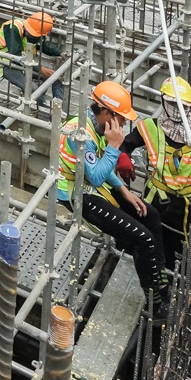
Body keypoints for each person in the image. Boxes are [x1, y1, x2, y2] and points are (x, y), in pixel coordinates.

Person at [57, 80, 164, 294]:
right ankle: (155, 298)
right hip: (75, 193)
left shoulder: (97, 126)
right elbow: (97, 177)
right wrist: (114, 146)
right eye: (121, 117)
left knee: (150, 215)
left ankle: (158, 275)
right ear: (106, 112)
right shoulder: (80, 134)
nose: (124, 123)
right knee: (142, 238)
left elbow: (100, 167)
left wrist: (124, 190)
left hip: (91, 185)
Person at [120, 76, 191, 271]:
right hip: (157, 202)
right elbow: (125, 144)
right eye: (173, 104)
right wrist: (122, 157)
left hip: (188, 207)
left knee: (181, 253)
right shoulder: (150, 127)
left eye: (183, 105)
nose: (178, 109)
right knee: (151, 246)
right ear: (163, 101)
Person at [0, 11, 64, 99]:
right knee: (33, 89)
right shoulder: (12, 29)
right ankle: (39, 106)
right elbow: (16, 56)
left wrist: (60, 53)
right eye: (35, 36)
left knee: (56, 77)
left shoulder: (33, 31)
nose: (36, 39)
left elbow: (43, 45)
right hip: (4, 63)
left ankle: (59, 105)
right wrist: (40, 69)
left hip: (23, 63)